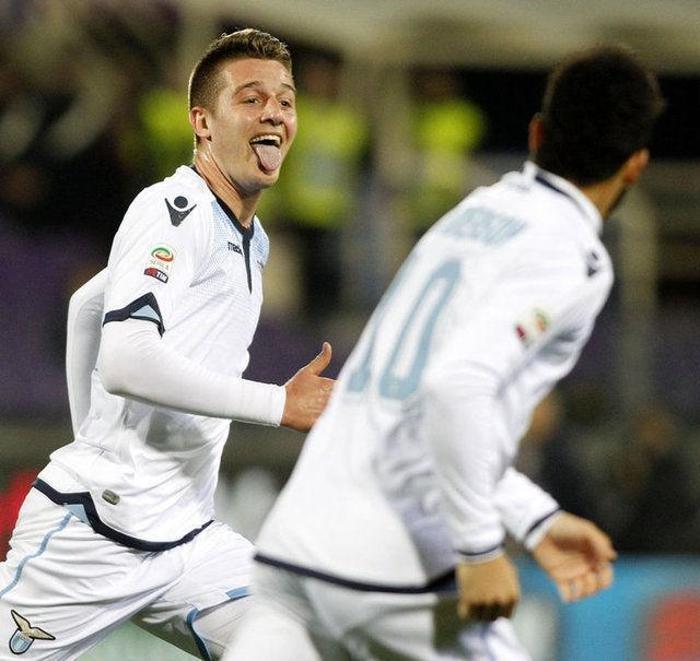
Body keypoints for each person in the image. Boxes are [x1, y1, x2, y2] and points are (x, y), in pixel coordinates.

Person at [225, 45, 665, 660]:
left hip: (292, 546)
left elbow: (413, 407)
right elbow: (455, 388)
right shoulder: (569, 253)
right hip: (386, 565)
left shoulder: (475, 212)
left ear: (537, 134)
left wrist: (533, 518)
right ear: (636, 166)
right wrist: (480, 548)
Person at [0, 28, 334, 660]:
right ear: (202, 122)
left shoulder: (251, 238)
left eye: (285, 101)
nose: (273, 113)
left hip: (186, 542)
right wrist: (276, 404)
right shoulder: (174, 208)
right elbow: (126, 358)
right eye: (251, 98)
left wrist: (90, 438)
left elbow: (86, 307)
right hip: (95, 538)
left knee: (300, 644)